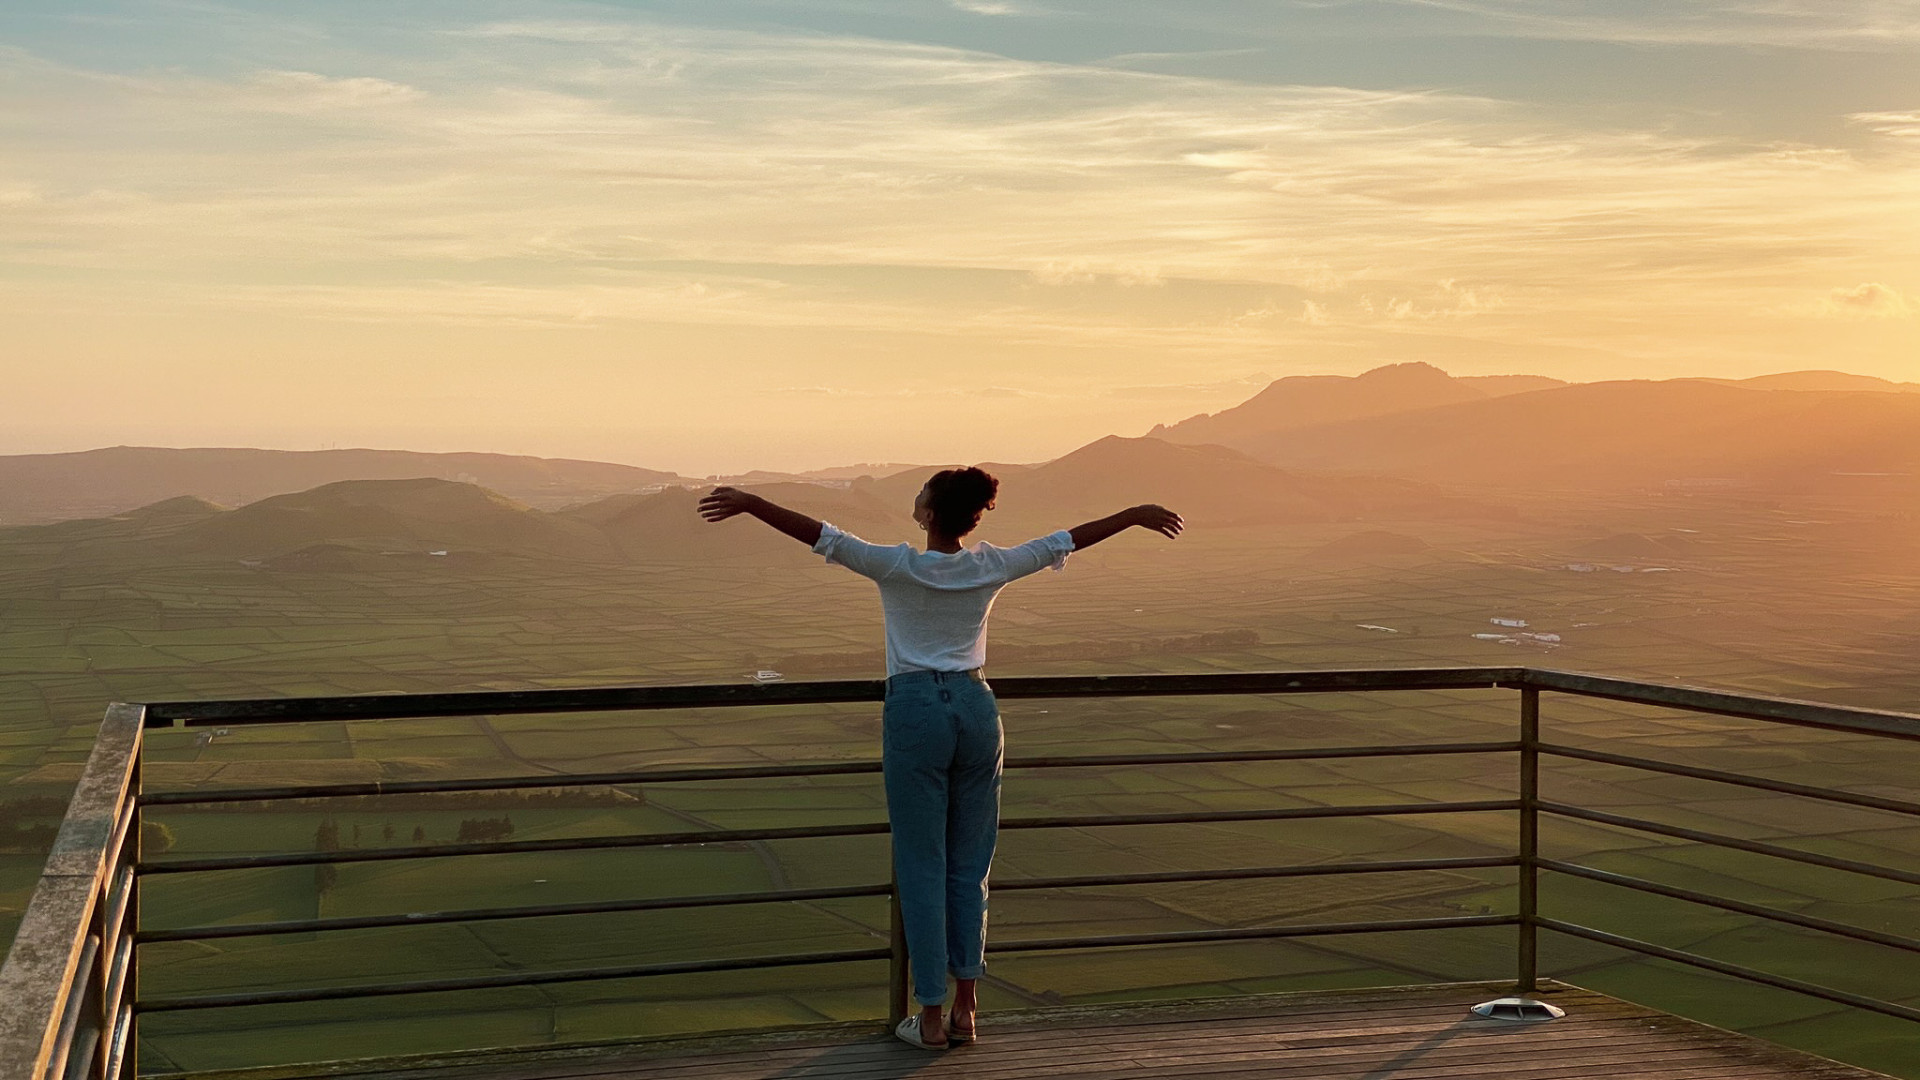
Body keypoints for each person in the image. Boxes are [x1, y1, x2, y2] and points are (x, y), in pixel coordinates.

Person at [698, 468, 1182, 1050]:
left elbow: (820, 535)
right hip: (977, 710)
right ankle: (967, 1010)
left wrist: (750, 502)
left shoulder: (895, 565)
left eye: (922, 494)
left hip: (916, 711)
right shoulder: (991, 565)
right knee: (970, 864)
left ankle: (928, 1017)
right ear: (973, 517)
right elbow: (1065, 540)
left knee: (922, 864)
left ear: (928, 513)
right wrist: (1132, 514)